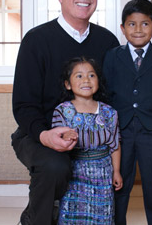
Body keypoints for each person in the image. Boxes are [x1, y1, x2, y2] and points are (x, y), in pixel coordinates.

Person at [11, 0, 152, 225]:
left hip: (92, 135)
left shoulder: (107, 42)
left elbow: (119, 97)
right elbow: (23, 105)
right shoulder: (36, 40)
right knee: (55, 166)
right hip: (40, 132)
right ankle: (37, 218)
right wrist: (44, 135)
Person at [103, 0, 152, 225]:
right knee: (118, 184)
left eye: (145, 24)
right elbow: (105, 93)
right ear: (122, 28)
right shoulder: (112, 56)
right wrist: (107, 129)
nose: (138, 29)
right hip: (120, 132)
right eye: (131, 24)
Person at [51, 56, 122, 224]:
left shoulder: (109, 112)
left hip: (103, 171)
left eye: (91, 75)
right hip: (75, 171)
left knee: (102, 214)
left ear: (98, 81)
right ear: (67, 84)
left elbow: (115, 144)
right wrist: (65, 136)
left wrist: (116, 171)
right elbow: (56, 137)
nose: (86, 80)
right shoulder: (62, 110)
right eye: (79, 76)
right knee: (73, 213)